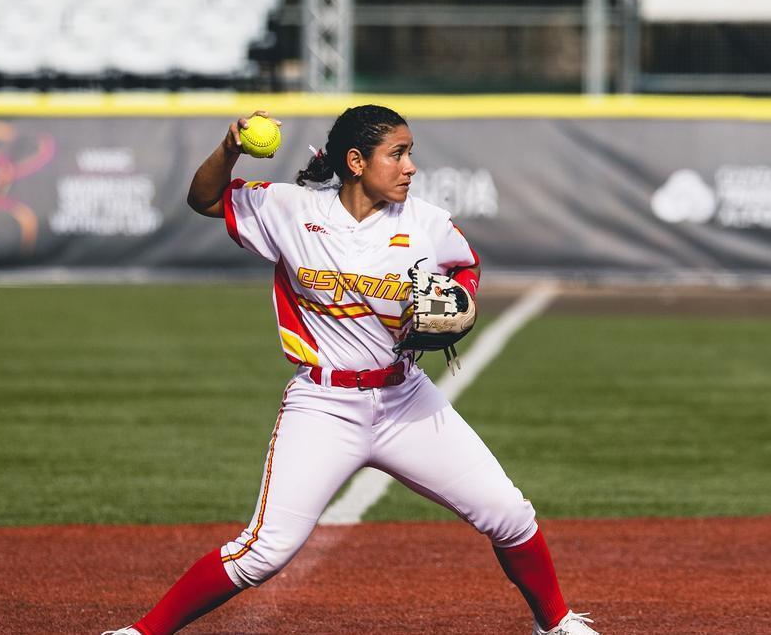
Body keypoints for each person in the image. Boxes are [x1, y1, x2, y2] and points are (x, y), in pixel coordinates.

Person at [103, 106, 599, 635]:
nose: (410, 167)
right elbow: (203, 198)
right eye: (398, 153)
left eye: (411, 153)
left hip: (405, 399)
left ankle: (556, 623)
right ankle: (140, 633)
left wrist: (462, 298)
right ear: (357, 161)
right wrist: (230, 149)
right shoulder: (289, 209)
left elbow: (465, 264)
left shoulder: (425, 222)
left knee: (509, 513)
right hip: (323, 405)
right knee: (264, 552)